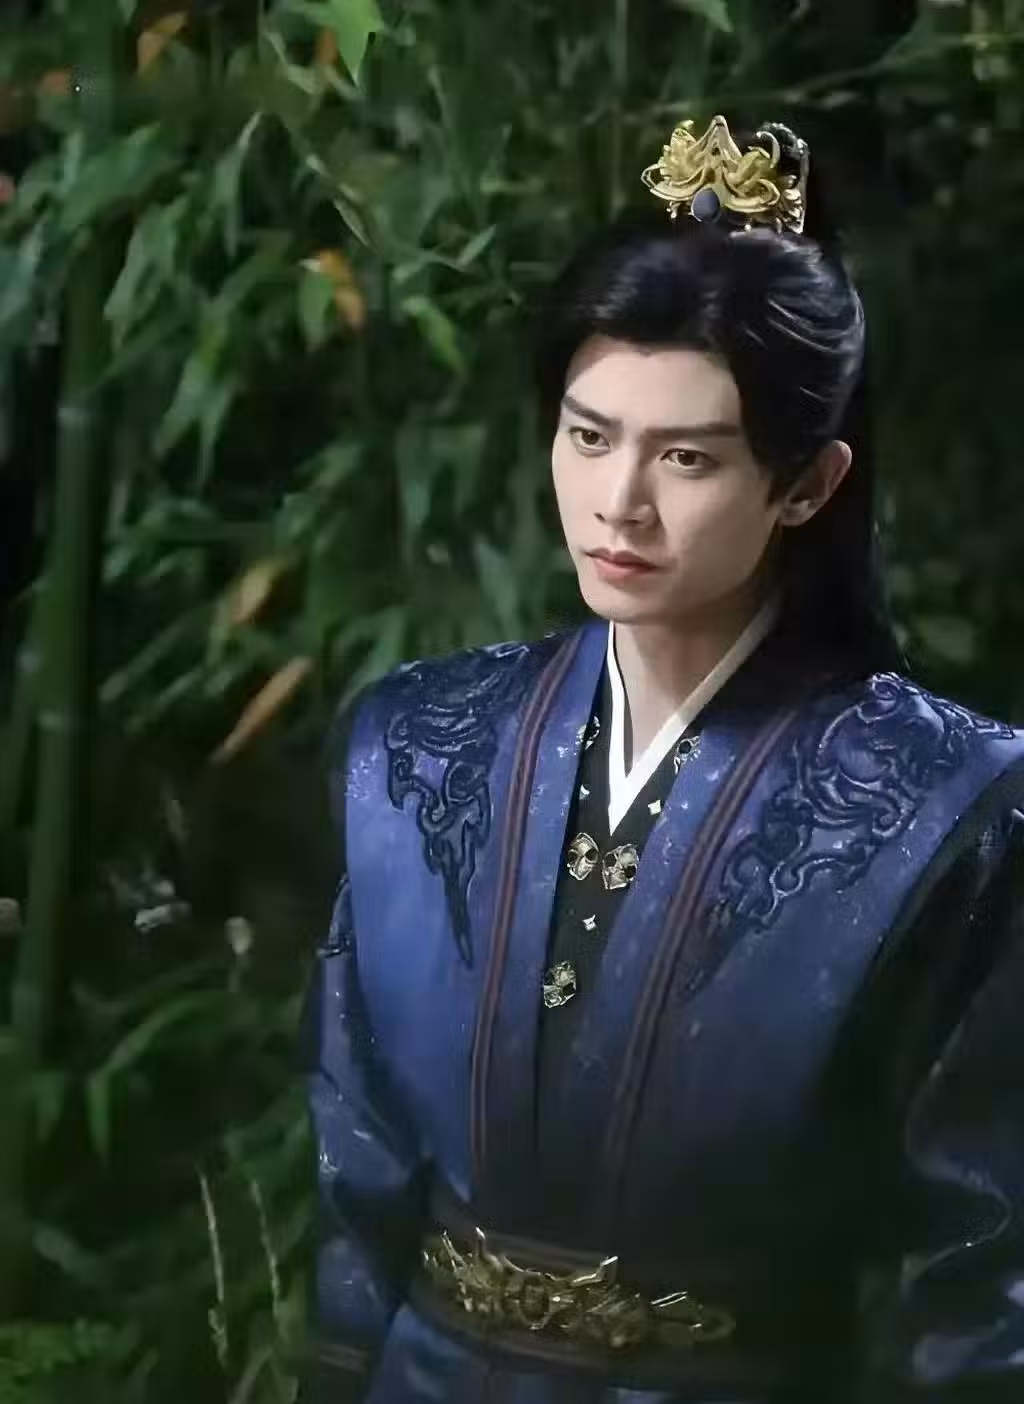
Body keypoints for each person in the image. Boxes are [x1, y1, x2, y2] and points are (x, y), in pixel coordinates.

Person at [301, 115, 1024, 1403]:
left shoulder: (943, 804)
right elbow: (357, 1158)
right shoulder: (417, 744)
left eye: (685, 457)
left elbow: (977, 1264)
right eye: (589, 436)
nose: (618, 503)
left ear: (807, 485)